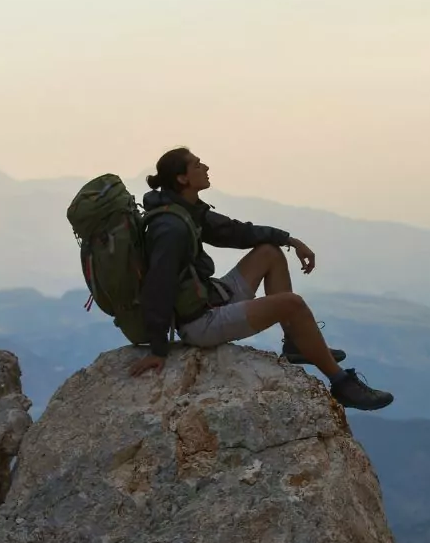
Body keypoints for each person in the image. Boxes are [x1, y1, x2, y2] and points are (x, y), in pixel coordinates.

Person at [127, 146, 395, 411]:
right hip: (198, 323)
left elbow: (235, 232)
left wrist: (289, 240)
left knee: (270, 253)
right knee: (293, 303)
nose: (205, 168)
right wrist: (158, 350)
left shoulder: (184, 210)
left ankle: (294, 344)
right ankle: (341, 383)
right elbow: (157, 286)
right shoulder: (171, 228)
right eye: (197, 165)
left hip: (209, 297)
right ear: (182, 178)